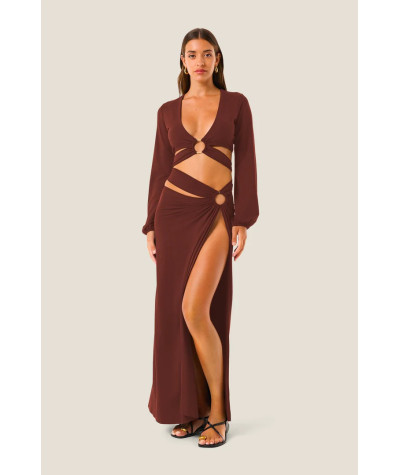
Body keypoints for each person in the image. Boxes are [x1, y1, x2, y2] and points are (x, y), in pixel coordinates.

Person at [142, 28, 259, 448]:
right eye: (192, 54)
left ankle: (218, 413)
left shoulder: (236, 103)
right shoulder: (167, 111)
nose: (200, 61)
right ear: (182, 61)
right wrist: (151, 224)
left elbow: (246, 159)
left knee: (195, 309)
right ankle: (190, 410)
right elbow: (160, 170)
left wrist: (243, 217)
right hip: (172, 214)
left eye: (207, 54)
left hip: (214, 211)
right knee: (176, 315)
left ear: (217, 59)